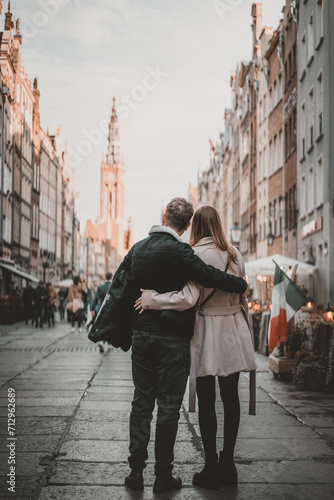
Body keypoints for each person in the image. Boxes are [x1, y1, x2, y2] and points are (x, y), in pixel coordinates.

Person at [114, 197, 247, 493]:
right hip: (199, 336)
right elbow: (207, 280)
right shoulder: (220, 253)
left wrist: (124, 326)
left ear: (166, 216)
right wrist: (239, 284)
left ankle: (136, 471)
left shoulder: (139, 248)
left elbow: (120, 286)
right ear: (186, 225)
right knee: (172, 407)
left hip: (149, 334)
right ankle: (167, 475)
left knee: (142, 403)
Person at [90, 273, 113, 352]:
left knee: (103, 326)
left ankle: (103, 342)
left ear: (105, 277)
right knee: (110, 326)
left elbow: (96, 299)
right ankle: (109, 343)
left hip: (102, 309)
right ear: (111, 277)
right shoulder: (114, 286)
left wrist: (93, 309)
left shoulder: (100, 287)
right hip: (112, 310)